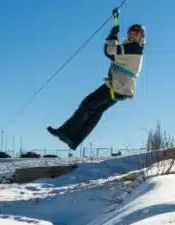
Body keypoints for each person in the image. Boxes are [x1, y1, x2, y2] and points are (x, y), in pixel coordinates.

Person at [47, 8, 145, 151]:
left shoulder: (133, 48)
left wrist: (113, 34)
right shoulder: (133, 48)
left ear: (141, 36)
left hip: (117, 86)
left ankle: (65, 132)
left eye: (136, 33)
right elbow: (115, 53)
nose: (132, 34)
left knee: (87, 104)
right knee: (96, 111)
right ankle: (74, 140)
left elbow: (109, 51)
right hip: (122, 88)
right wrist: (115, 27)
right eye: (130, 31)